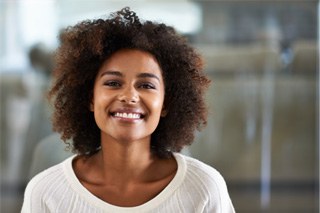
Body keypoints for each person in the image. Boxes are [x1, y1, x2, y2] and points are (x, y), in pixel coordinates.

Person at [21, 7, 235, 213]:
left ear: (166, 104)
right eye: (113, 83)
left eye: (146, 85)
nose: (129, 96)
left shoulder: (203, 188)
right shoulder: (47, 193)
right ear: (90, 98)